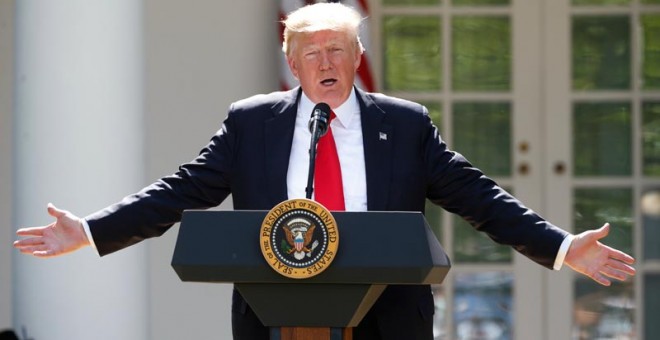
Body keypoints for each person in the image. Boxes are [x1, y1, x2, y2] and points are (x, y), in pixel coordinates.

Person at [14, 3, 636, 340]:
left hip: (389, 318)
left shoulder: (406, 123)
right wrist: (93, 232)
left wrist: (559, 246)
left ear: (358, 57)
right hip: (275, 315)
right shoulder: (252, 123)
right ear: (292, 63)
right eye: (310, 52)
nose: (325, 61)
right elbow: (183, 190)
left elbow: (478, 197)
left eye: (337, 48)